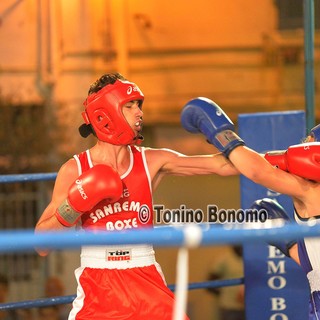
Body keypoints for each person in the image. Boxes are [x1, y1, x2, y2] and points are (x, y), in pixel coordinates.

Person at [35, 73, 240, 320]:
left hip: (146, 279)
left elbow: (222, 166)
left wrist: (228, 138)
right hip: (99, 285)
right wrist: (74, 204)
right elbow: (41, 245)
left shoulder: (151, 160)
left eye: (139, 105)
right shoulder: (75, 170)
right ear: (105, 113)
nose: (139, 112)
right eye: (129, 106)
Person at [180, 97, 320, 319]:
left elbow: (258, 171)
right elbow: (315, 265)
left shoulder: (310, 190)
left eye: (309, 141)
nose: (302, 143)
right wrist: (290, 245)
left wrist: (219, 132)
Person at [207, 246, 245, 320]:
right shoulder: (224, 259)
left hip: (248, 306)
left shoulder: (251, 258)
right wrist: (225, 294)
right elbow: (210, 283)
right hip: (228, 307)